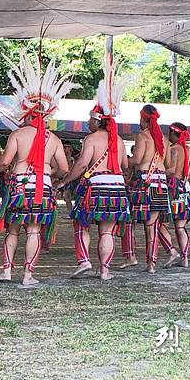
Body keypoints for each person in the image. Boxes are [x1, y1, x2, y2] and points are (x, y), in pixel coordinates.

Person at [0, 49, 74, 285]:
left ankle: (7, 271)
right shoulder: (55, 140)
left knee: (13, 230)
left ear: (27, 114)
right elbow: (64, 168)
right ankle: (28, 275)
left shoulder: (18, 134)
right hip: (43, 187)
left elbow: (6, 162)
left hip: (19, 187)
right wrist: (53, 177)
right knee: (34, 231)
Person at [57, 54, 129, 280]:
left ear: (97, 121)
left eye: (89, 119)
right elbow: (125, 165)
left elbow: (81, 164)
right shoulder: (118, 140)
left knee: (81, 222)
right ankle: (105, 271)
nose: (87, 123)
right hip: (117, 188)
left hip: (96, 187)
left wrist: (66, 180)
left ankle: (84, 261)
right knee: (106, 230)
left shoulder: (91, 139)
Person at [128, 104, 174, 274]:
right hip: (161, 183)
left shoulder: (142, 136)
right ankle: (152, 262)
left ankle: (151, 263)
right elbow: (169, 165)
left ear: (143, 119)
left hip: (146, 181)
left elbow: (137, 159)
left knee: (147, 226)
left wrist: (125, 161)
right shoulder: (165, 140)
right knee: (153, 225)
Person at [158, 122, 190, 268]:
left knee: (159, 223)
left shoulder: (173, 149)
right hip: (185, 190)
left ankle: (171, 251)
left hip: (173, 191)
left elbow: (172, 171)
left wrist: (157, 171)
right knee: (180, 227)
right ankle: (185, 258)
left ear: (173, 133)